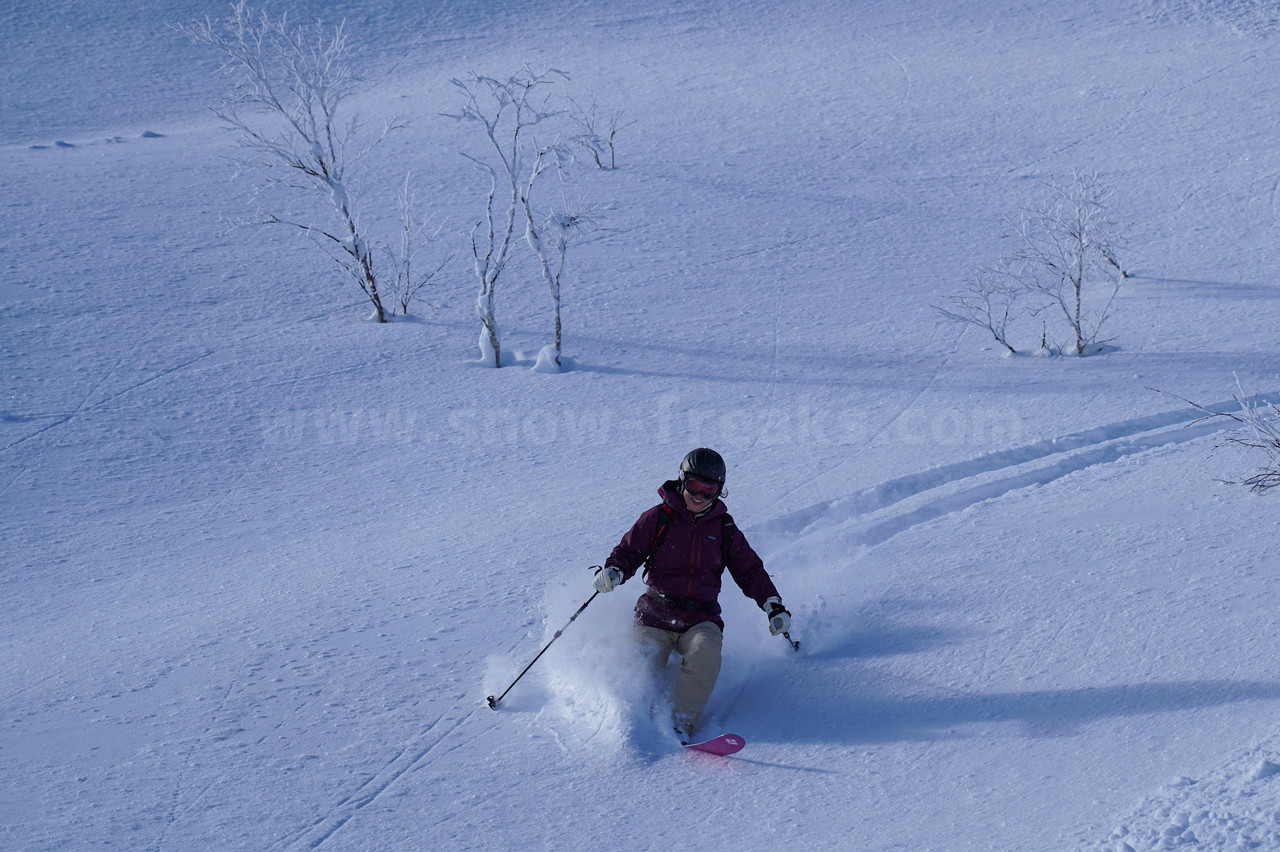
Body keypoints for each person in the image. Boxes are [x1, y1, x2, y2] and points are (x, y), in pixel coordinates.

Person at [592, 448, 792, 740]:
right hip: (656, 613)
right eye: (694, 486)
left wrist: (773, 604)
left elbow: (750, 571)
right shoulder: (658, 518)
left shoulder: (724, 528)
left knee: (705, 654)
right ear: (682, 480)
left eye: (708, 489)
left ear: (719, 492)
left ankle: (678, 723)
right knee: (640, 660)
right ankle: (633, 721)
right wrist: (614, 571)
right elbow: (630, 551)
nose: (699, 495)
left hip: (701, 617)